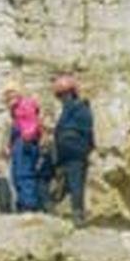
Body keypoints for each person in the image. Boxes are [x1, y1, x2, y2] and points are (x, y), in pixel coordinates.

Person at [51, 73, 95, 224]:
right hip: (75, 147)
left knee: (70, 179)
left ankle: (67, 208)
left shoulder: (70, 110)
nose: (62, 99)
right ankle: (77, 212)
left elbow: (60, 131)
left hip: (67, 147)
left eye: (63, 95)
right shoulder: (81, 108)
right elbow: (87, 130)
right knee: (75, 179)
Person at [5, 91, 48, 213]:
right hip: (27, 145)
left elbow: (20, 132)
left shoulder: (21, 111)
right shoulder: (29, 113)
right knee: (23, 175)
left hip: (24, 146)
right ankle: (25, 203)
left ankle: (28, 206)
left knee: (23, 175)